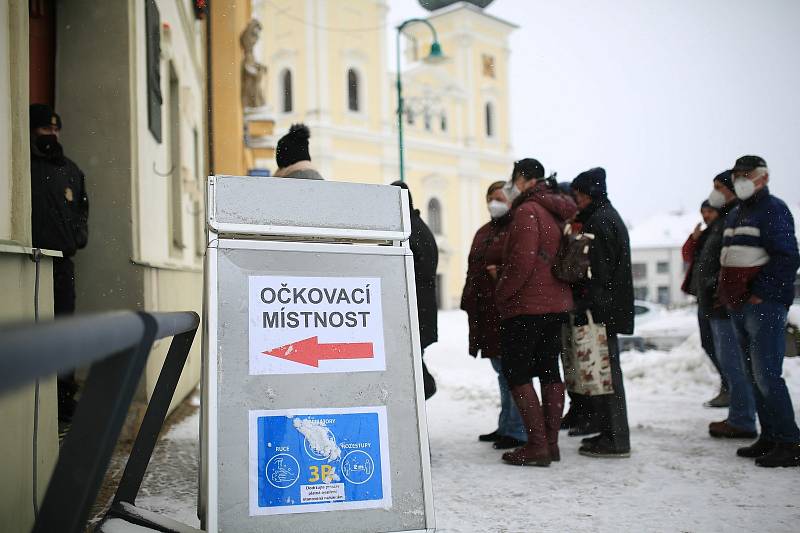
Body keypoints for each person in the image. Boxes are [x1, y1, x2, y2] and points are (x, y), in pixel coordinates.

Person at [718, 155, 800, 468]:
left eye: (746, 174)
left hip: (763, 305)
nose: (740, 179)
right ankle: (771, 436)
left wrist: (760, 294)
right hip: (739, 304)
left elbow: (787, 256)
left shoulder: (772, 209)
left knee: (767, 375)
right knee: (754, 375)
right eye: (737, 174)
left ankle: (790, 441)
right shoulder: (737, 212)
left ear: (762, 177)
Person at [494, 159, 577, 466]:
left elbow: (522, 261)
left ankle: (537, 445)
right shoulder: (557, 209)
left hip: (528, 305)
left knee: (516, 371)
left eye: (513, 178)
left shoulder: (528, 210)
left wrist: (501, 293)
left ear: (525, 179)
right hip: (557, 303)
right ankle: (551, 444)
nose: (510, 185)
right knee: (548, 369)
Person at [29, 103, 89, 423]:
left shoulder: (71, 170)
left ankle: (64, 397)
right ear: (31, 131)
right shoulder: (23, 165)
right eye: (44, 129)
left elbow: (82, 209)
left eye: (55, 129)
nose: (51, 134)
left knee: (64, 329)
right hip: (31, 261)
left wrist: (78, 237)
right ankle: (35, 396)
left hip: (62, 264)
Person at [570, 167, 633, 458]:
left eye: (579, 195)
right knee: (605, 373)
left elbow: (597, 272)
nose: (576, 200)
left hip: (602, 310)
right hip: (608, 307)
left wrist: (589, 303)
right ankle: (609, 433)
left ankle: (615, 439)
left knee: (605, 375)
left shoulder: (599, 221)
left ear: (589, 193)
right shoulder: (606, 216)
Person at [460, 181, 526, 449]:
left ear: (511, 200)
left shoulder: (516, 229)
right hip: (486, 312)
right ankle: (506, 425)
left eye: (498, 197)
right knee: (502, 371)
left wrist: (499, 277)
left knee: (513, 373)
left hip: (507, 311)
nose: (492, 202)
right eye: (489, 197)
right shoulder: (484, 232)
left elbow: (519, 266)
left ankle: (518, 429)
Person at [698, 170, 757, 439]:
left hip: (724, 303)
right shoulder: (724, 218)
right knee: (731, 362)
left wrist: (716, 287)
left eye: (719, 187)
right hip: (717, 301)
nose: (715, 193)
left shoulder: (736, 217)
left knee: (735, 364)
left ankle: (743, 419)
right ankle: (740, 416)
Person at [391, 181, 439, 399]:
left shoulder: (409, 230)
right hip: (421, 311)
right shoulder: (417, 226)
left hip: (415, 310)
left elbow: (405, 272)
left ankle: (424, 390)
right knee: (412, 360)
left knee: (411, 364)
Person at [681, 200, 729, 408]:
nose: (705, 216)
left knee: (723, 348)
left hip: (715, 298)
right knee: (709, 344)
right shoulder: (707, 234)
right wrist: (694, 239)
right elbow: (687, 255)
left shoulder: (721, 231)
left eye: (709, 211)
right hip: (704, 297)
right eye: (703, 212)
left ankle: (732, 388)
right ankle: (728, 385)